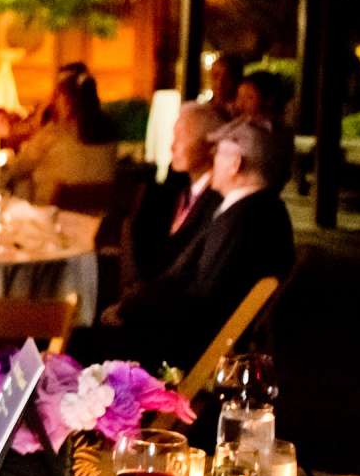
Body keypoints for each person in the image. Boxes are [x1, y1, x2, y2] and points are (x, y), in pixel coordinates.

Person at [95, 121, 293, 371]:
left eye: (219, 153)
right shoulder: (255, 210)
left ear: (236, 164)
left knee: (81, 342)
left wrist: (129, 310)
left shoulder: (246, 219)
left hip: (184, 347)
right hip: (186, 331)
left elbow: (200, 298)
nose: (213, 160)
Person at [129, 101, 222, 282]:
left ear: (211, 145)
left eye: (182, 137)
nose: (172, 146)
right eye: (174, 136)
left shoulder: (217, 203)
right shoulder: (178, 193)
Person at [1, 70, 119, 206]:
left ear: (67, 101)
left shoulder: (54, 134)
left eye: (57, 97)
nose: (54, 102)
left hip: (54, 219)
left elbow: (17, 169)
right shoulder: (110, 132)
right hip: (98, 221)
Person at [203, 52, 243, 122]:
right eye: (215, 76)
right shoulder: (202, 112)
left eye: (227, 78)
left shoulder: (245, 115)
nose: (220, 83)